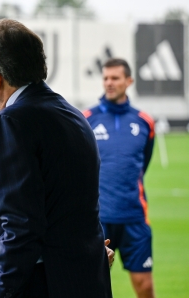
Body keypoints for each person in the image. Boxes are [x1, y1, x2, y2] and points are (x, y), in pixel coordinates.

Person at [0, 19, 112, 297]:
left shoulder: (11, 122)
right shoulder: (74, 115)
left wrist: (1, 290)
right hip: (87, 278)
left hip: (42, 283)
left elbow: (21, 227)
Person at [83, 58, 155, 298]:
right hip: (99, 218)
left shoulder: (145, 121)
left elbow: (143, 163)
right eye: (105, 78)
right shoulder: (87, 119)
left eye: (115, 78)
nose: (109, 83)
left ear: (129, 81)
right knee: (94, 285)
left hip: (135, 217)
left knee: (145, 286)